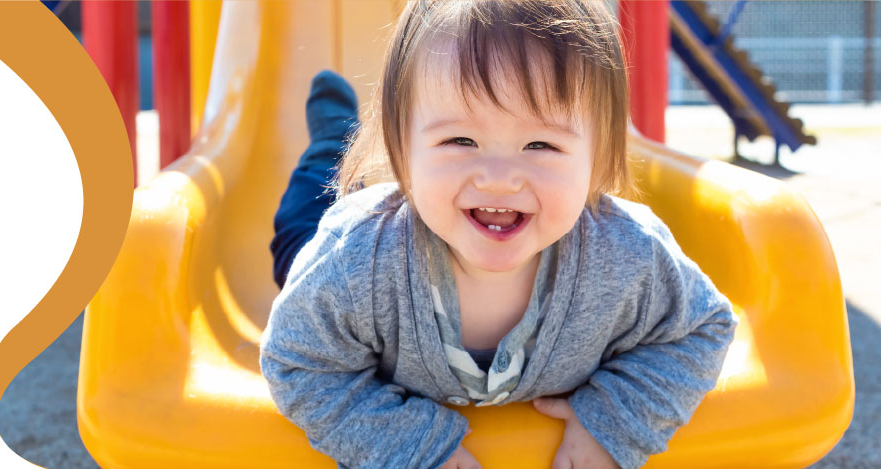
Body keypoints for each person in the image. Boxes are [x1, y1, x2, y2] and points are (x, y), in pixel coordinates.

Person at [262, 1, 738, 468]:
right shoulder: (353, 260)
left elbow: (702, 329)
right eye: (460, 140)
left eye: (541, 144)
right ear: (399, 148)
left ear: (599, 159)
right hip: (333, 241)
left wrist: (615, 419)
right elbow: (297, 362)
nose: (499, 178)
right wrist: (404, 445)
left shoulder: (627, 257)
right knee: (307, 211)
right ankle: (332, 134)